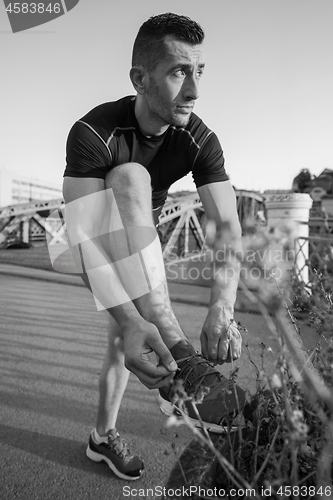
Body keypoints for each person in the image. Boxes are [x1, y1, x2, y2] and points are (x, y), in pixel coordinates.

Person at [62, 12, 245, 481]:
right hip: (97, 233)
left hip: (144, 239)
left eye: (199, 71)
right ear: (140, 79)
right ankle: (181, 359)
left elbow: (226, 224)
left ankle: (101, 438)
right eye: (179, 71)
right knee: (130, 174)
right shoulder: (93, 132)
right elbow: (80, 239)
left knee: (124, 344)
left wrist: (222, 304)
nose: (195, 90)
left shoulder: (200, 138)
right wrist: (131, 316)